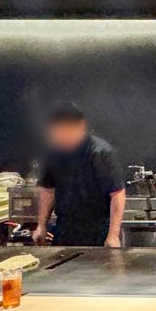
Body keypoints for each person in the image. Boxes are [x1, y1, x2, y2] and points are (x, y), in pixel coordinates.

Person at [34, 103, 126, 247]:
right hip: (64, 230)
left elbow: (117, 194)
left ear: (80, 126)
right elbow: (48, 191)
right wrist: (41, 225)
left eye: (67, 131)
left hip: (97, 231)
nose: (63, 137)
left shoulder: (100, 153)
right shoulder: (53, 153)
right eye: (58, 133)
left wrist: (113, 235)